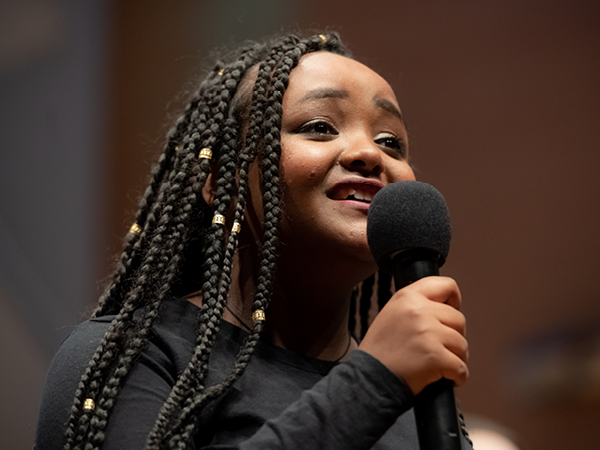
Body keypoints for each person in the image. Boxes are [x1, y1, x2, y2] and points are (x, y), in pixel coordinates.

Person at [35, 32, 471, 450]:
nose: (369, 153)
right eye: (319, 127)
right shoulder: (130, 355)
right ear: (224, 179)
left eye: (390, 141)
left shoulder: (420, 402)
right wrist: (372, 382)